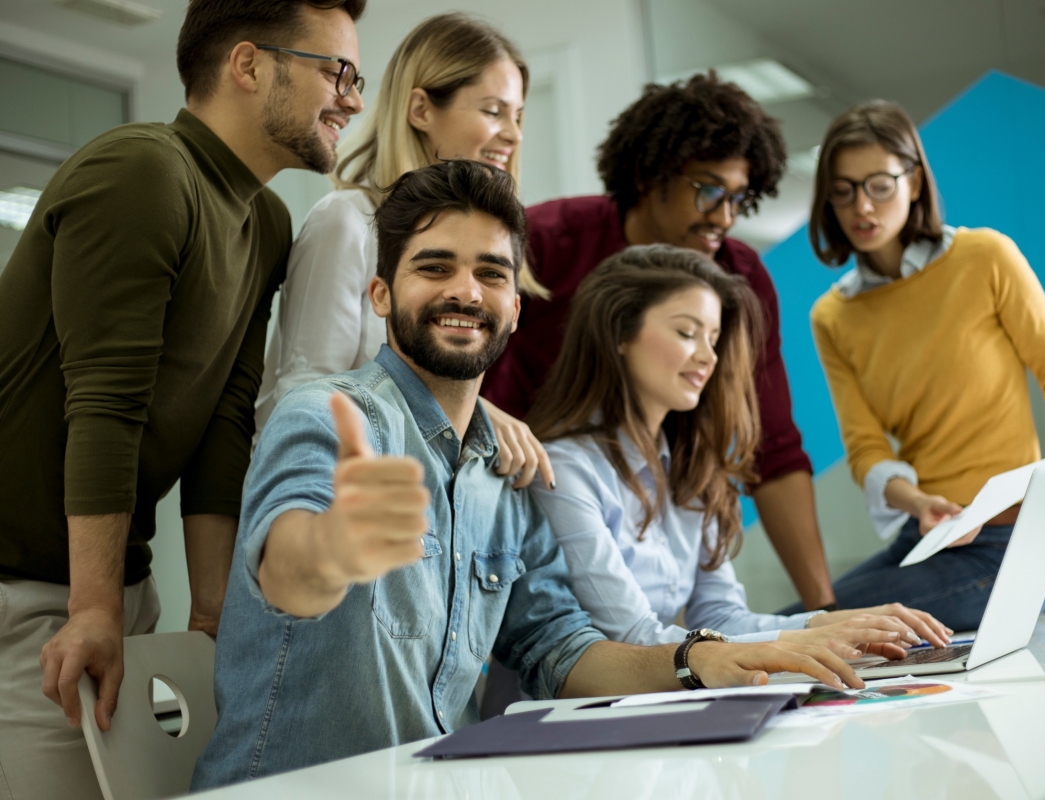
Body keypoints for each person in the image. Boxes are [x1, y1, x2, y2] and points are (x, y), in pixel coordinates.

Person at [191, 160, 865, 790]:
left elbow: (559, 648)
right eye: (434, 267)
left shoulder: (506, 471)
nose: (465, 290)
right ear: (380, 293)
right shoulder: (327, 418)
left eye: (490, 272)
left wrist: (697, 660)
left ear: (516, 304)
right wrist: (334, 549)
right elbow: (285, 570)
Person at [0, 1, 366, 797]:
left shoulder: (266, 221)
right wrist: (93, 610)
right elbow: (102, 402)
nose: (353, 97)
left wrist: (211, 617)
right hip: (23, 594)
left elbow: (221, 428)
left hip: (114, 588)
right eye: (336, 71)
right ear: (248, 64)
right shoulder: (143, 168)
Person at [482, 72, 837, 610]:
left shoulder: (740, 277)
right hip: (522, 496)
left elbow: (775, 447)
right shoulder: (546, 242)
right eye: (709, 190)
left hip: (653, 493)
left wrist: (822, 610)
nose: (724, 217)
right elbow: (457, 380)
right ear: (651, 174)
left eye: (739, 198)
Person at [788, 100, 1045, 630]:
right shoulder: (832, 316)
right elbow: (867, 451)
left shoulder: (986, 256)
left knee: (802, 628)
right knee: (787, 625)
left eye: (879, 184)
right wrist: (920, 503)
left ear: (915, 182)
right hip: (925, 535)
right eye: (843, 189)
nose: (861, 206)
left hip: (1008, 549)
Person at [525, 245, 951, 658]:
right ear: (619, 332)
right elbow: (634, 640)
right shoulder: (565, 470)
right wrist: (808, 639)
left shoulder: (690, 469)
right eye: (687, 332)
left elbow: (721, 616)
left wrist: (827, 625)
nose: (708, 357)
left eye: (713, 339)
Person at [256, 12, 552, 489]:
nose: (514, 134)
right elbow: (304, 394)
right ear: (420, 109)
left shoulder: (498, 247)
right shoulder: (345, 221)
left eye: (517, 116)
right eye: (494, 111)